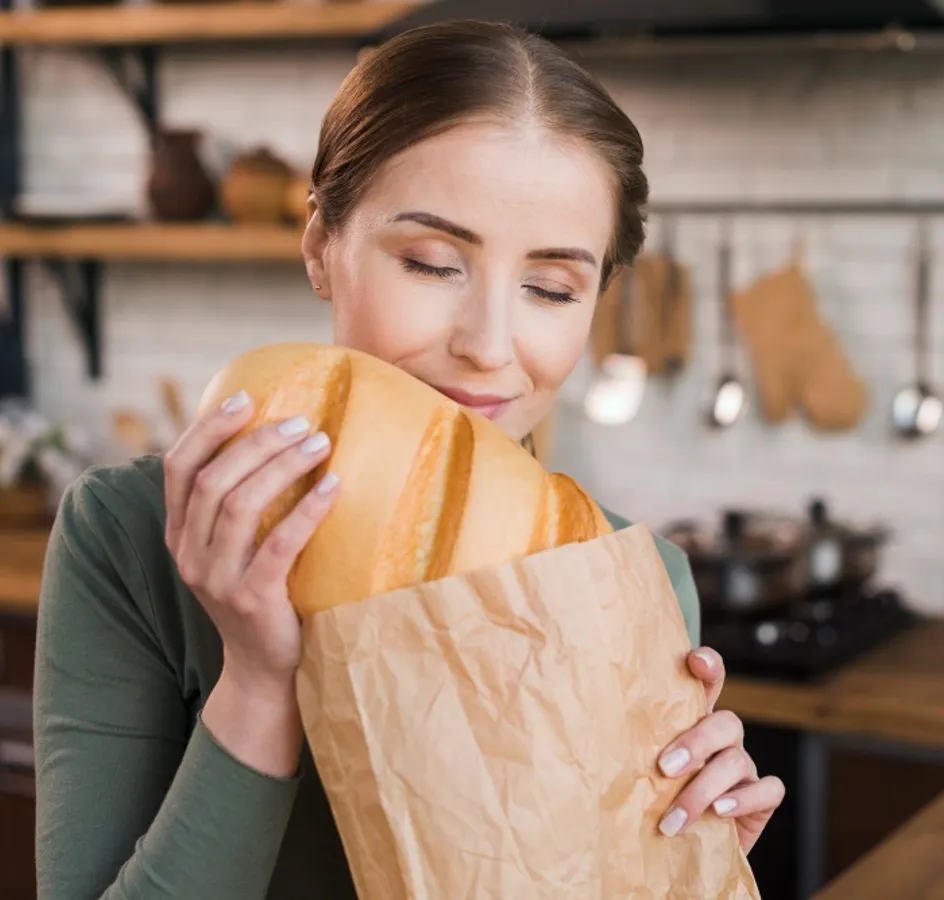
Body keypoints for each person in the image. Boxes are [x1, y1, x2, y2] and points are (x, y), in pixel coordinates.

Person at [33, 18, 784, 898]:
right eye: (431, 263)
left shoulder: (632, 577)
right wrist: (260, 682)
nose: (489, 344)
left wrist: (679, 855)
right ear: (322, 247)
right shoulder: (127, 536)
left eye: (551, 288)